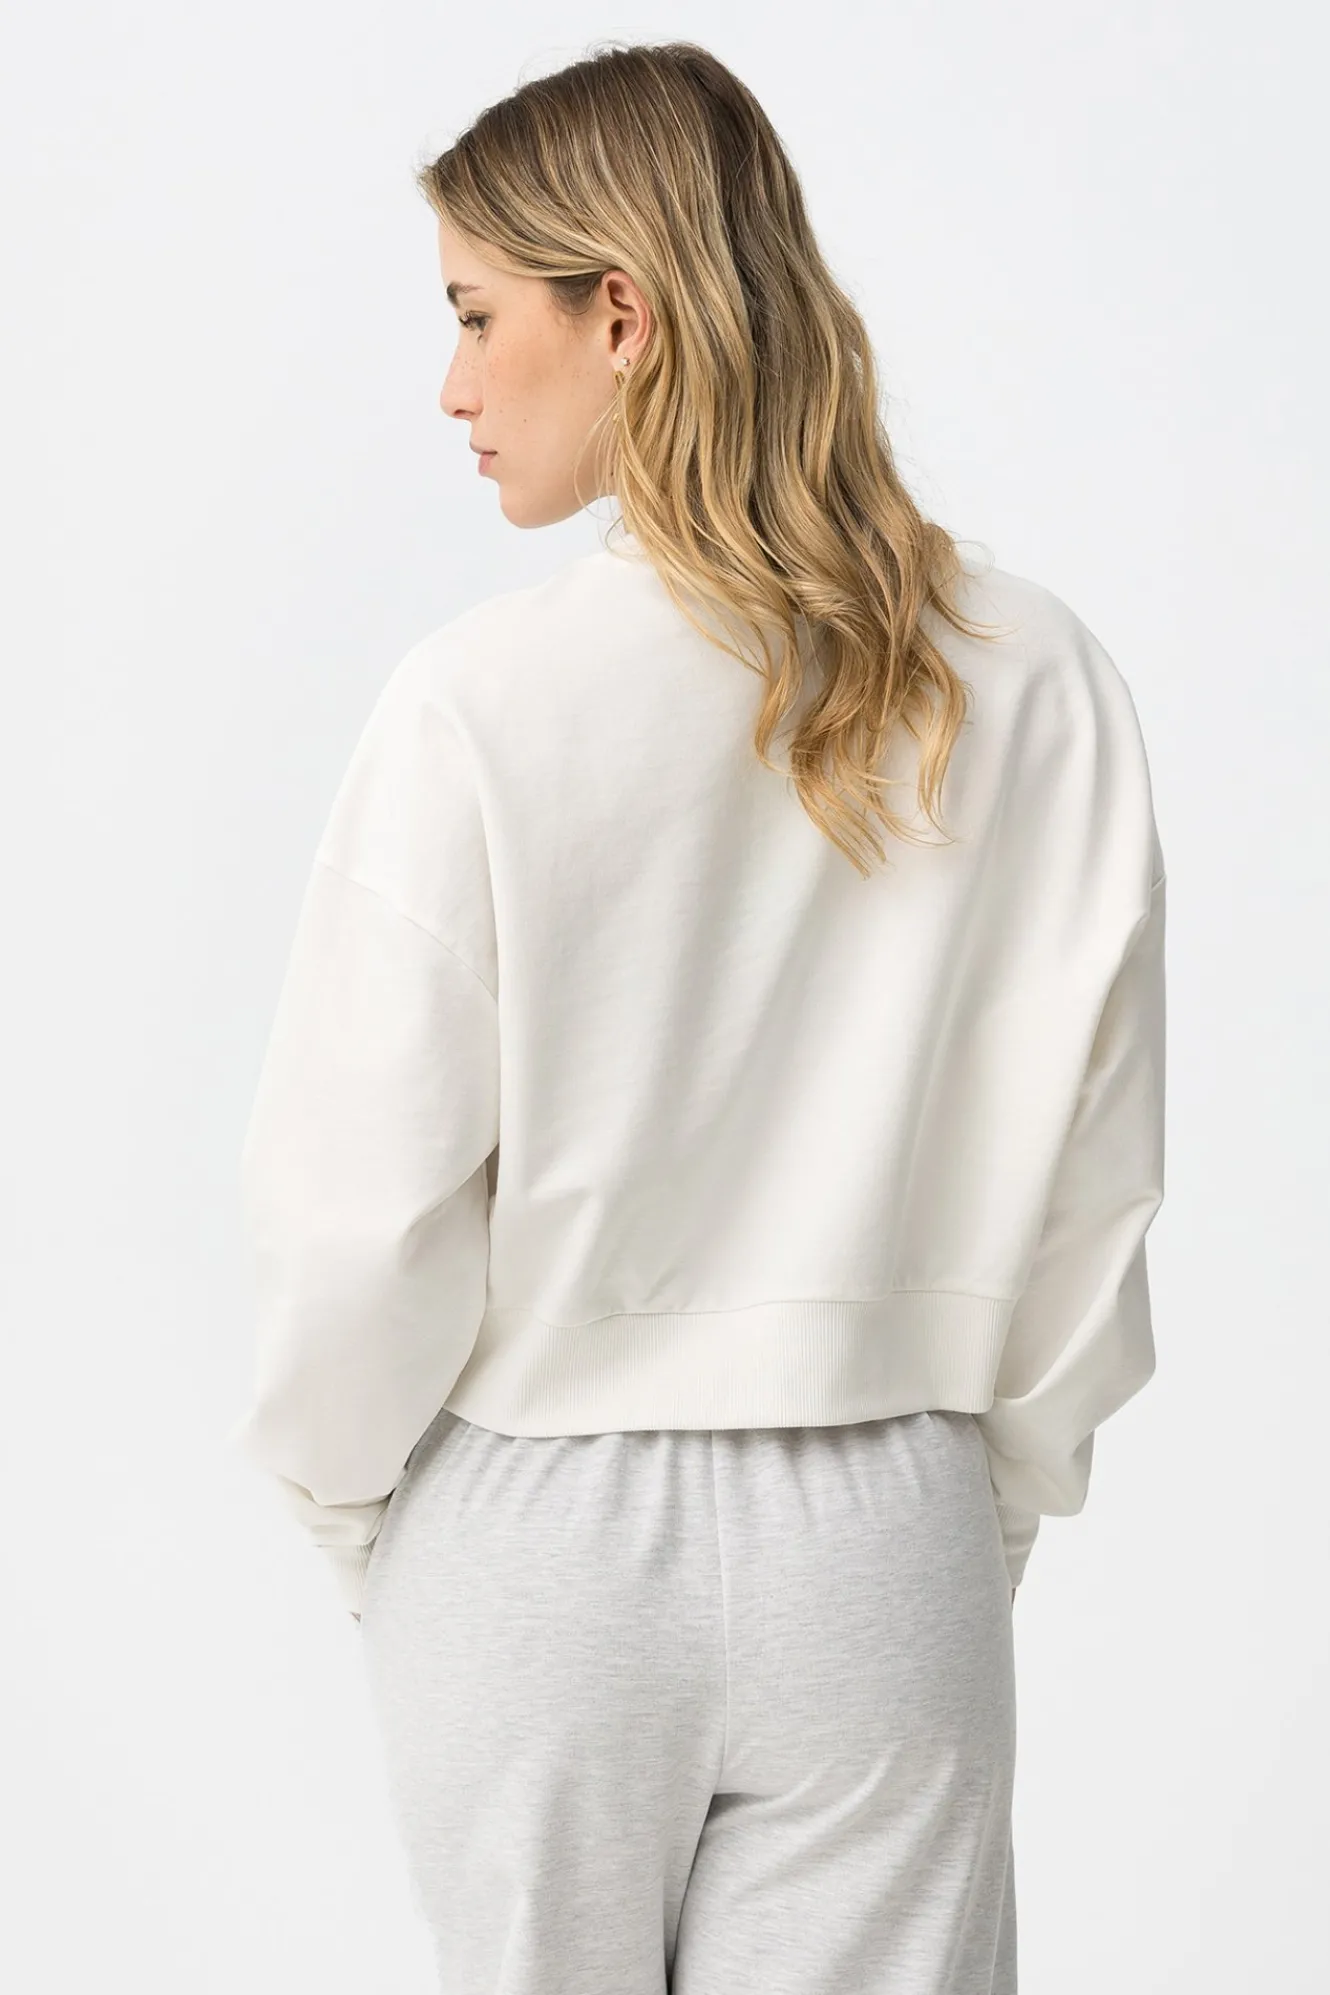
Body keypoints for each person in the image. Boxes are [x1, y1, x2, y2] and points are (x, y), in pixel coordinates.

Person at [228, 38, 1166, 1995]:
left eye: (476, 316)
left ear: (621, 315)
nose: (453, 385)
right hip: (885, 1523)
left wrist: (370, 1532)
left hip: (532, 1531)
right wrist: (965, 1512)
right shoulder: (1037, 679)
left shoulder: (479, 706)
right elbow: (1093, 1186)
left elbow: (356, 1221)